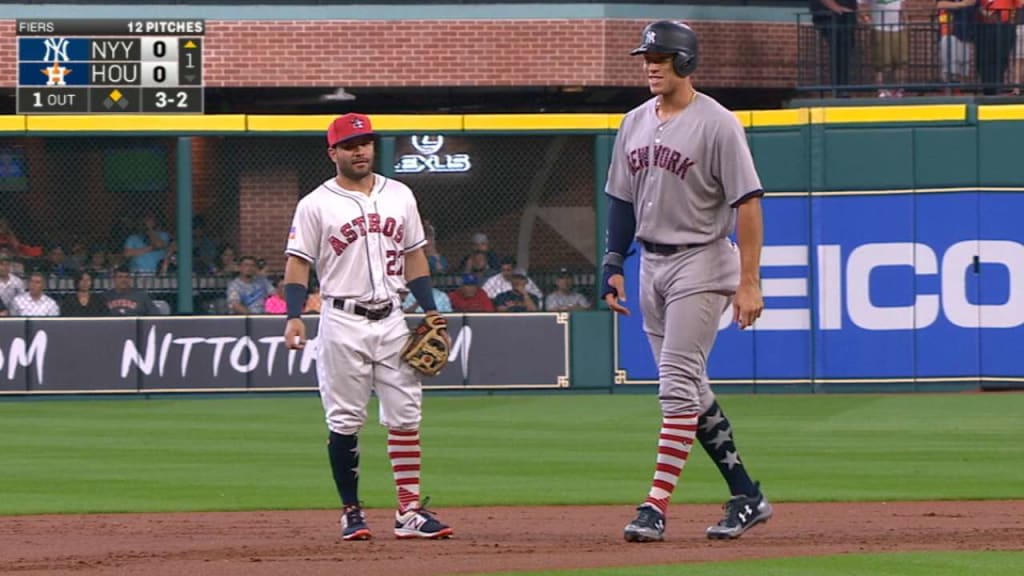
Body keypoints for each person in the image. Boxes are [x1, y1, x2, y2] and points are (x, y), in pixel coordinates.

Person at [601, 21, 771, 543]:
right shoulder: (633, 122)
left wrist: (749, 281)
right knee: (691, 390)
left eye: (662, 57)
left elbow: (748, 202)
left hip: (701, 260)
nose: (651, 65)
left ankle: (654, 506)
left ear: (687, 62)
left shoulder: (718, 123)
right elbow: (622, 200)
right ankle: (747, 495)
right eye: (647, 57)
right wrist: (612, 262)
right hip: (650, 265)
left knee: (675, 387)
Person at [282, 113, 453, 541]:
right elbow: (298, 263)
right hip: (341, 320)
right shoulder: (315, 204)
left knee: (406, 416)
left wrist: (429, 310)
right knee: (344, 420)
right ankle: (351, 512)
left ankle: (409, 511)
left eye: (366, 142)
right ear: (333, 152)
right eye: (350, 144)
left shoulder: (400, 194)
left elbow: (415, 255)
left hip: (393, 317)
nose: (360, 150)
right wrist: (293, 315)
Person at [810, 0, 859, 93]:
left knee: (846, 50)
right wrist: (837, 8)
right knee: (838, 48)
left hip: (846, 17)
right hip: (829, 16)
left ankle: (843, 87)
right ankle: (839, 88)